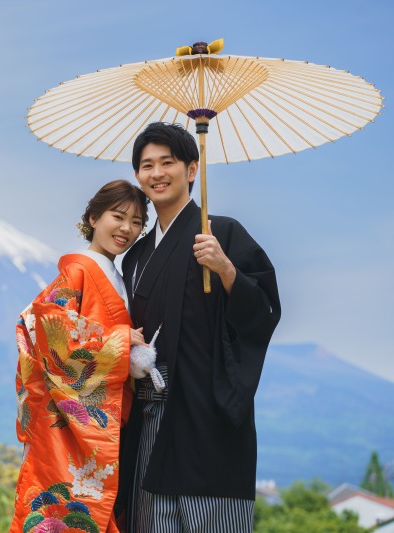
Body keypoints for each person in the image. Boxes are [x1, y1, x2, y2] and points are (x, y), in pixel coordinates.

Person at [119, 122, 281, 532]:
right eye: (146, 165)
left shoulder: (222, 232)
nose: (156, 173)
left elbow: (264, 312)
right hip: (148, 415)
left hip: (207, 416)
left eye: (167, 162)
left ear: (192, 169)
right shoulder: (135, 256)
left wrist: (225, 268)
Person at [10, 180, 148, 533]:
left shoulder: (117, 275)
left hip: (107, 416)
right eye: (118, 217)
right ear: (93, 217)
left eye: (136, 222)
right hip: (70, 424)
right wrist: (120, 341)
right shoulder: (79, 270)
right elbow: (49, 336)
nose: (126, 229)